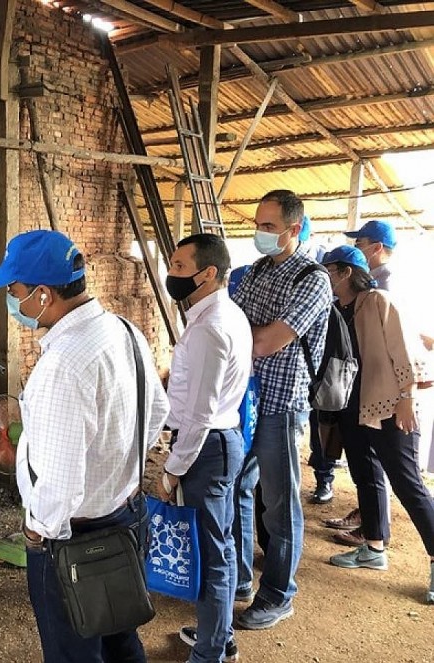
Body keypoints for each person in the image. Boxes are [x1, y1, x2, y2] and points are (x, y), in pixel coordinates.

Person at [0, 229, 169, 662]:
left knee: (73, 652)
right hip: (127, 515)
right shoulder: (124, 330)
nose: (11, 300)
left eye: (14, 290)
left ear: (43, 295)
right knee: (120, 636)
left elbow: (60, 481)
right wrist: (117, 469)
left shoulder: (63, 363)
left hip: (74, 537)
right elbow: (157, 412)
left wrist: (36, 530)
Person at [231, 190, 331, 630]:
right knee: (235, 487)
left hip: (282, 405)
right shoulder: (254, 271)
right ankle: (236, 578)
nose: (260, 233)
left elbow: (264, 341)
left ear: (294, 229)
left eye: (269, 227)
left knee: (278, 503)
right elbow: (233, 331)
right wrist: (244, 333)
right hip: (245, 401)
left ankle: (278, 594)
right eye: (258, 224)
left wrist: (244, 333)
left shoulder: (313, 279)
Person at [320, 246, 434, 605]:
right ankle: (373, 547)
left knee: (407, 482)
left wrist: (407, 397)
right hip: (353, 406)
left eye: (329, 270)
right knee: (365, 476)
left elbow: (405, 349)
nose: (326, 277)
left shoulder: (378, 301)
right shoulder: (337, 309)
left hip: (388, 403)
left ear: (346, 272)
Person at [159, 234, 252, 663]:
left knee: (213, 553)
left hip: (206, 448)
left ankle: (212, 651)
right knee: (219, 544)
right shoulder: (221, 315)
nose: (171, 274)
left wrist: (173, 467)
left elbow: (199, 412)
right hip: (218, 442)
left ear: (207, 273)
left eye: (179, 267)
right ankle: (219, 634)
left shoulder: (210, 328)